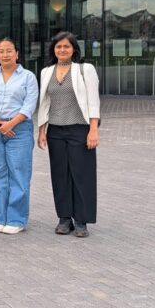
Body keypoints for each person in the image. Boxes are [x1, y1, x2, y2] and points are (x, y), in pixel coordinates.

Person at [37, 32, 101, 238]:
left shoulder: (84, 69)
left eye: (66, 46)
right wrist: (41, 130)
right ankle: (64, 218)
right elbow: (44, 102)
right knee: (60, 175)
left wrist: (93, 129)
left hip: (79, 128)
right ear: (53, 50)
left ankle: (81, 221)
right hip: (55, 129)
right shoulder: (46, 72)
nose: (62, 50)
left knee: (82, 175)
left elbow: (93, 100)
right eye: (58, 47)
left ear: (74, 49)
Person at [0, 37, 38, 235]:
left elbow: (29, 105)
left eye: (9, 50)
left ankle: (16, 219)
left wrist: (11, 124)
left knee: (19, 174)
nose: (5, 54)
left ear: (17, 53)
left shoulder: (28, 77)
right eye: (1, 51)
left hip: (19, 130)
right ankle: (1, 217)